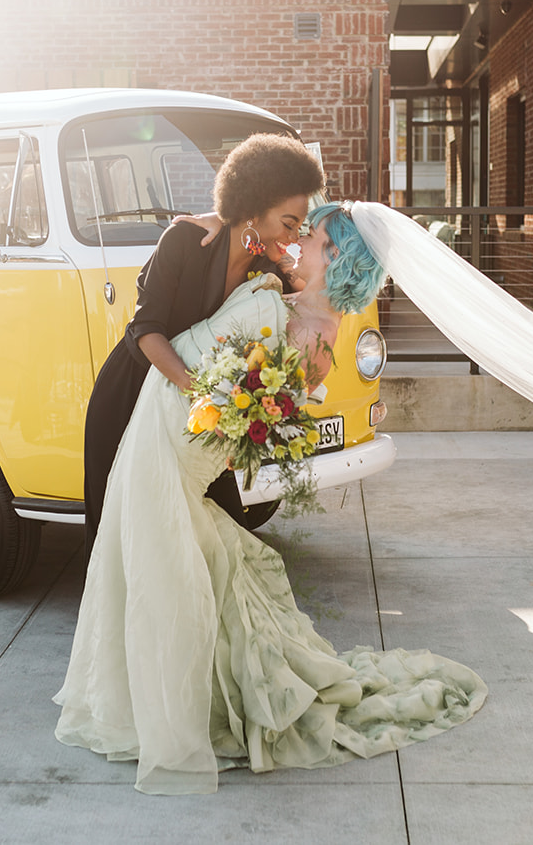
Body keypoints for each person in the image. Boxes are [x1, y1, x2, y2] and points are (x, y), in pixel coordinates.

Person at [55, 204, 487, 795]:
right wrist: (213, 217)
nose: (300, 241)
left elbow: (255, 416)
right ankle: (160, 700)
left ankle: (174, 717)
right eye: (299, 230)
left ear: (334, 257)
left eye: (312, 237)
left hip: (177, 447)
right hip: (159, 430)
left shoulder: (315, 337)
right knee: (160, 572)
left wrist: (221, 412)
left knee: (164, 578)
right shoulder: (299, 304)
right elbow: (249, 243)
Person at [82, 133, 323, 544]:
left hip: (200, 417)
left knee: (227, 528)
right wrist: (201, 393)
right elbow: (145, 329)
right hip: (130, 399)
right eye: (288, 223)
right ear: (253, 203)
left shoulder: (268, 270)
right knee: (121, 536)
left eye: (298, 227)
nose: (291, 236)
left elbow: (317, 289)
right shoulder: (184, 242)